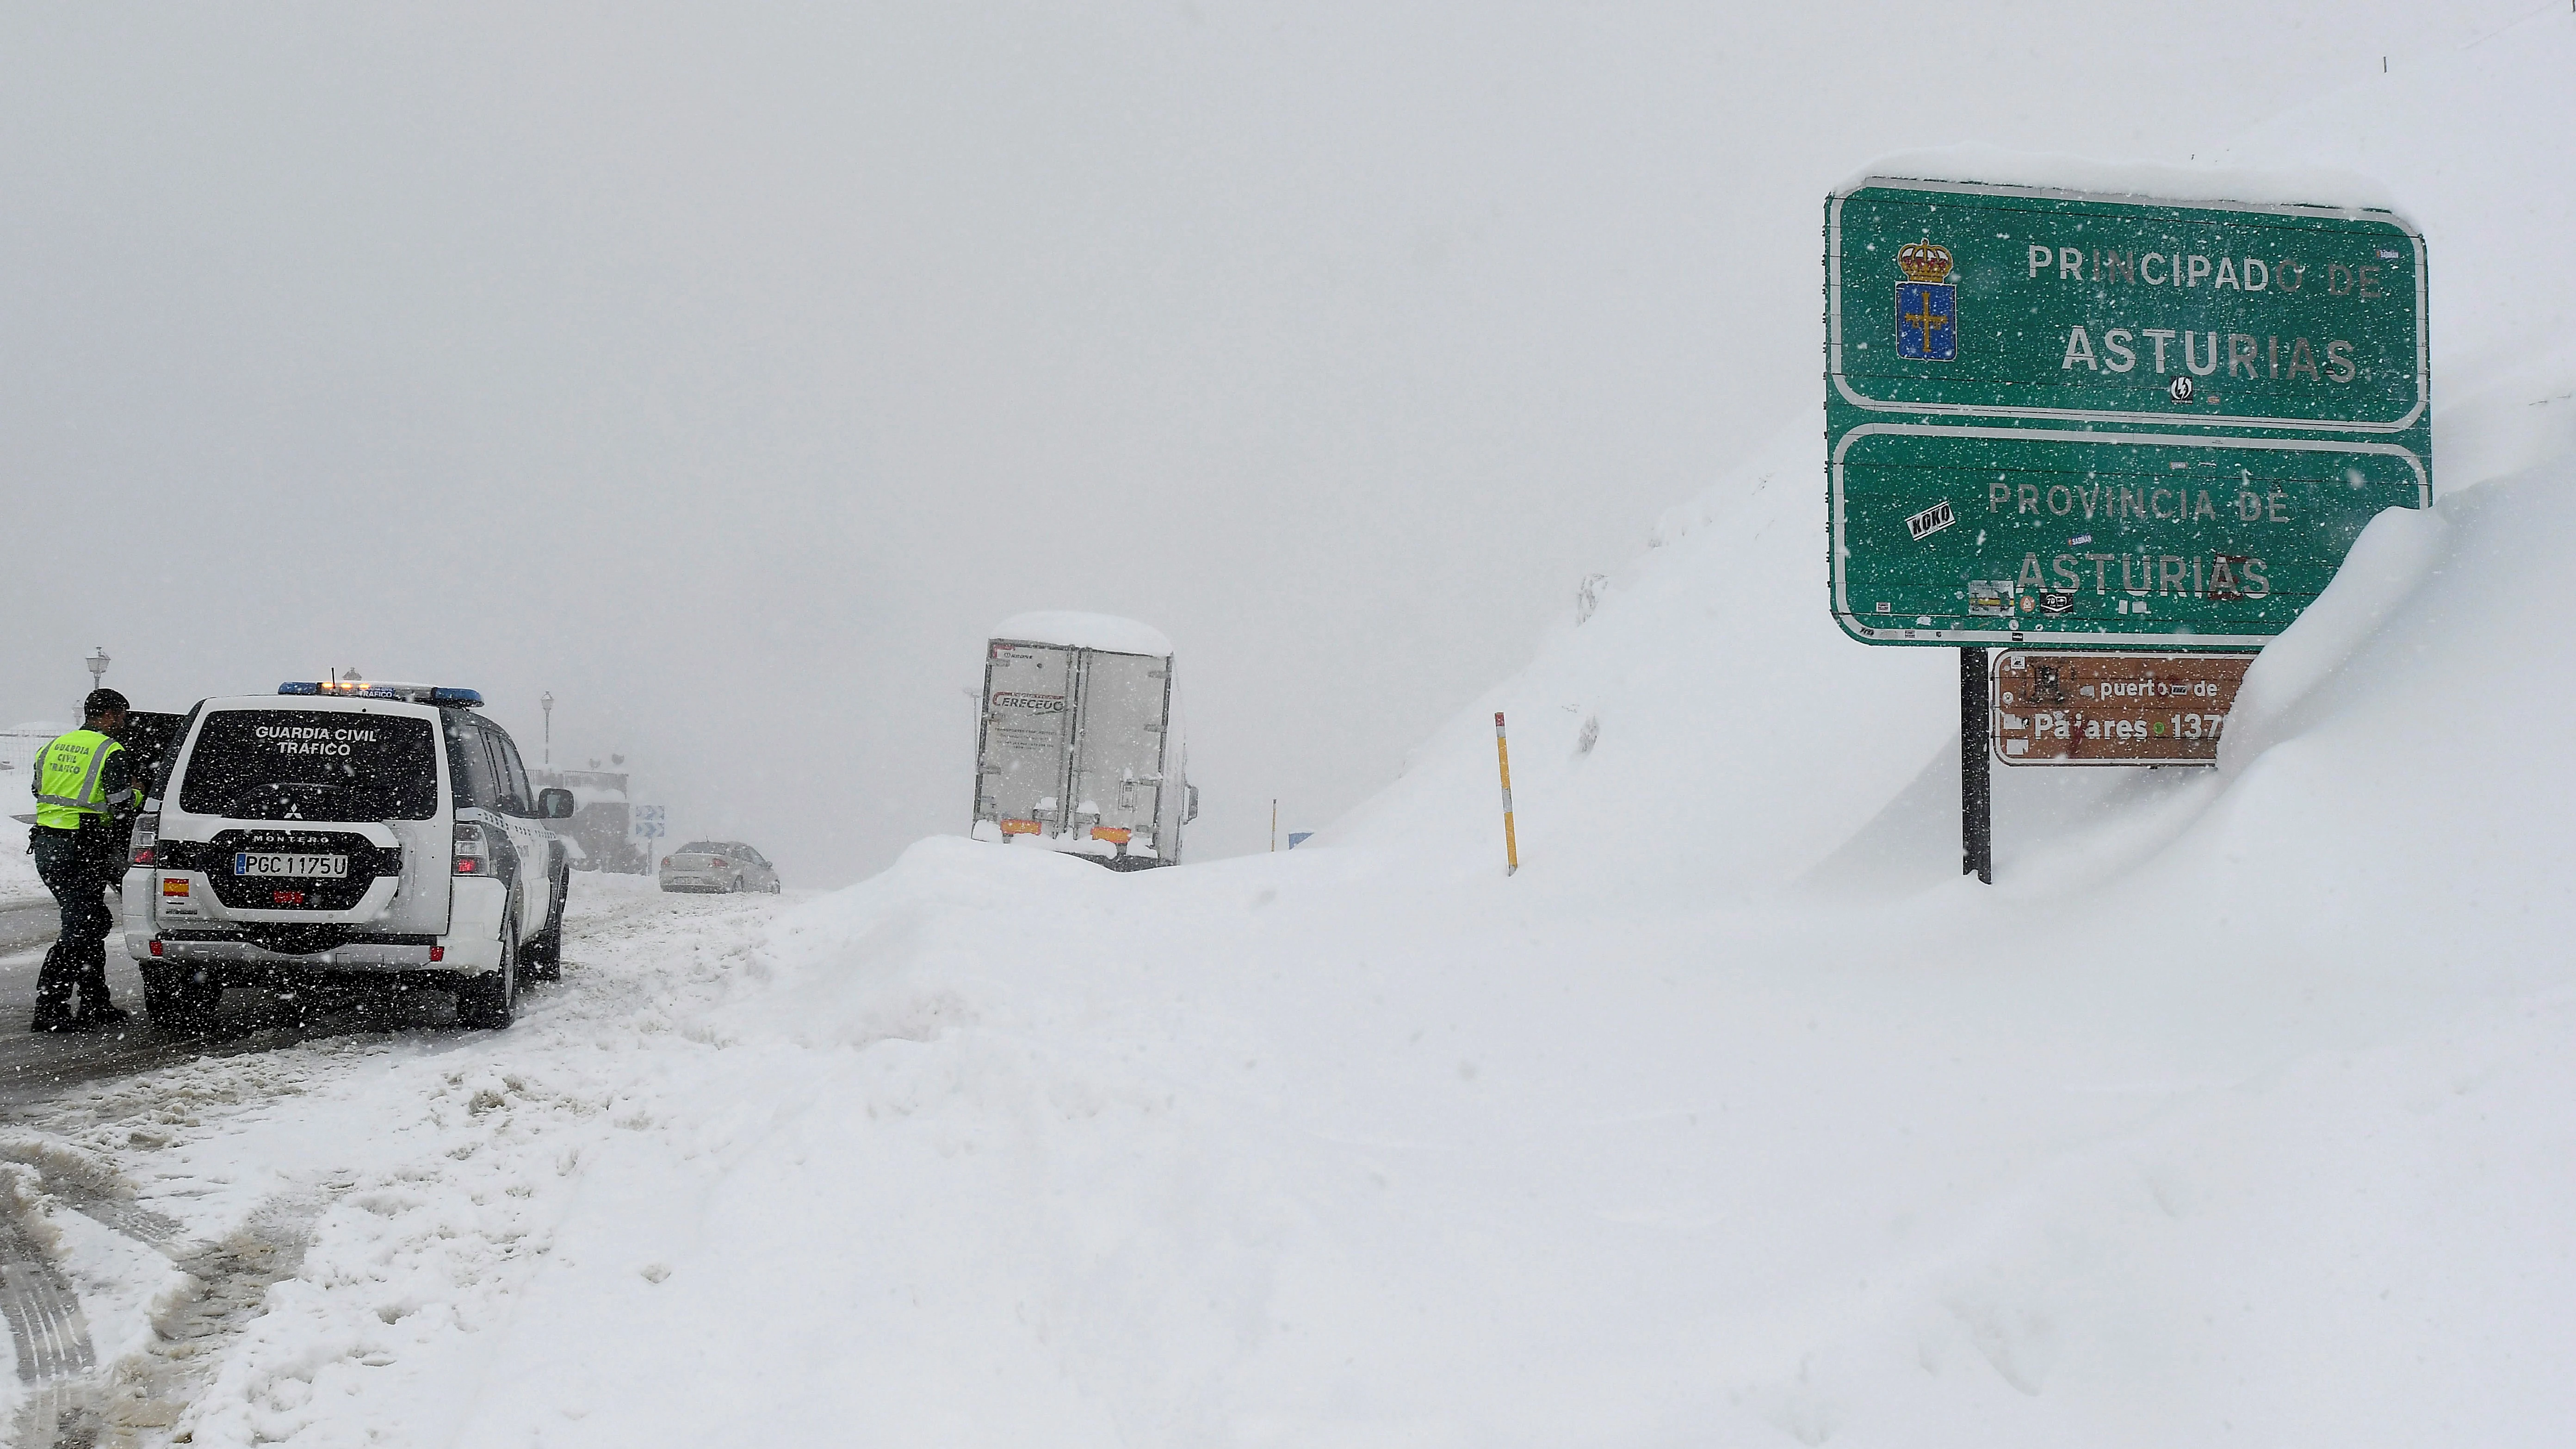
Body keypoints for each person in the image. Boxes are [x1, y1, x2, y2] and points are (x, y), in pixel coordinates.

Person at [28, 688, 142, 1031]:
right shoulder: (111, 751)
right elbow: (122, 805)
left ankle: (96, 1002)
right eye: (122, 715)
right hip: (83, 848)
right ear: (108, 714)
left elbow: (39, 790)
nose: (124, 722)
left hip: (49, 846)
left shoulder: (52, 747)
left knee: (90, 921)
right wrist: (139, 791)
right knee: (83, 927)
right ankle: (50, 1006)